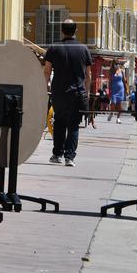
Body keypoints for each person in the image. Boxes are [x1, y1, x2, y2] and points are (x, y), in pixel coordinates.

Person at [43, 19, 93, 166]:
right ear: (75, 31)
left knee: (59, 122)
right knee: (74, 125)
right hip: (78, 92)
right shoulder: (84, 49)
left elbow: (47, 71)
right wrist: (87, 92)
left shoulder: (54, 48)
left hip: (58, 92)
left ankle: (57, 154)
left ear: (62, 31)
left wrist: (45, 87)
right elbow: (88, 75)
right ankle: (69, 157)